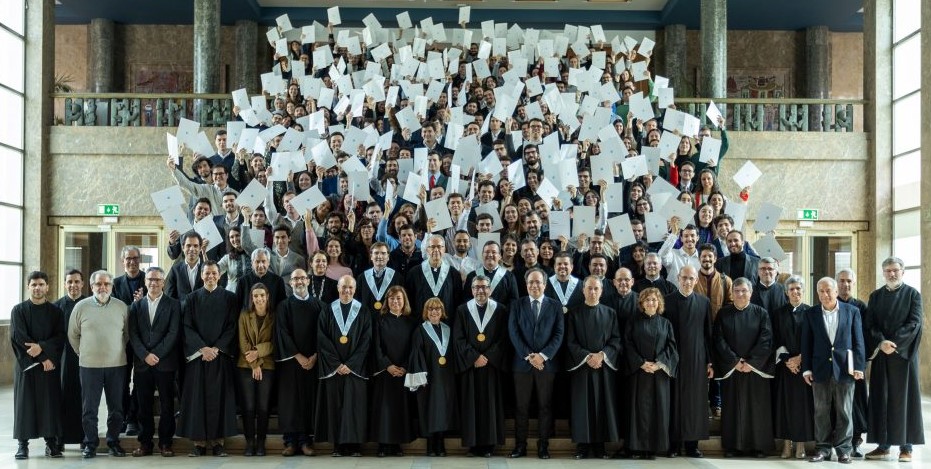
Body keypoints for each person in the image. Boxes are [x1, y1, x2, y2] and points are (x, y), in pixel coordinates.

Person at [864, 257, 924, 463]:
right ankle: (883, 445)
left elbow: (914, 323)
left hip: (903, 357)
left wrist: (894, 344)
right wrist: (881, 343)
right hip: (882, 355)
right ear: (883, 273)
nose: (892, 274)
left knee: (903, 401)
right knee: (882, 398)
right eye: (888, 271)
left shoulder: (913, 295)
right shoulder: (876, 296)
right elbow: (870, 324)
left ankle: (906, 447)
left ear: (903, 271)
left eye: (895, 270)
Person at [177, 261, 240, 457]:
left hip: (220, 356)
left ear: (219, 275)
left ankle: (219, 443)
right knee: (198, 400)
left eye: (214, 273)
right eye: (207, 273)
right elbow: (186, 326)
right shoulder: (191, 298)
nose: (210, 276)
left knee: (220, 400)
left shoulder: (230, 298)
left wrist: (216, 348)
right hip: (199, 357)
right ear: (201, 276)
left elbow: (232, 327)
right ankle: (199, 443)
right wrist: (203, 348)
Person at [801, 277, 866, 464]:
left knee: (844, 411)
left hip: (846, 370)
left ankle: (844, 450)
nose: (825, 294)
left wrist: (859, 367)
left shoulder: (852, 311)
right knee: (821, 411)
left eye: (828, 290)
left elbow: (858, 342)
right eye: (820, 291)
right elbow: (806, 344)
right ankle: (823, 449)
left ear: (836, 291)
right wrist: (806, 369)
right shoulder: (810, 314)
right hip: (820, 370)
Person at [68, 270, 130, 459]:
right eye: (98, 284)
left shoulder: (122, 307)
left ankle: (113, 442)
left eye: (106, 284)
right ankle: (90, 444)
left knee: (117, 409)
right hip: (89, 366)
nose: (102, 288)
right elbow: (73, 335)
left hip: (117, 365)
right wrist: (83, 353)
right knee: (89, 409)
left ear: (112, 286)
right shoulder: (80, 307)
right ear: (91, 286)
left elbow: (126, 335)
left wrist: (115, 351)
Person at [712, 277, 774, 458]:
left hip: (755, 369)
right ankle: (732, 447)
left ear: (750, 293)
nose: (740, 294)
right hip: (733, 369)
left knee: (757, 408)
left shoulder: (761, 313)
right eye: (737, 291)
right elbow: (718, 340)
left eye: (744, 291)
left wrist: (751, 363)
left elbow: (766, 340)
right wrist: (735, 362)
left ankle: (759, 447)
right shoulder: (723, 314)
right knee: (732, 408)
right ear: (731, 294)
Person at [508, 268, 565, 460]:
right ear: (526, 284)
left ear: (545, 284)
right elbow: (513, 332)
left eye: (538, 282)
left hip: (546, 366)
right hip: (522, 365)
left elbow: (559, 334)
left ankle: (543, 446)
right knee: (521, 407)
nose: (534, 285)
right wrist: (529, 356)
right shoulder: (517, 305)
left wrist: (543, 356)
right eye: (531, 282)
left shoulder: (555, 306)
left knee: (545, 406)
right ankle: (520, 446)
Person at [453, 275, 510, 457]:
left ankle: (489, 445)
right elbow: (458, 339)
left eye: (484, 287)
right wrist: (474, 357)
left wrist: (488, 357)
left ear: (490, 289)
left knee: (490, 405)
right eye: (477, 287)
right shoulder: (462, 310)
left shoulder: (500, 310)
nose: (480, 291)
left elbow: (504, 339)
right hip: (471, 366)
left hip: (492, 366)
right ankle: (473, 444)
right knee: (471, 405)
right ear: (471, 290)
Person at [315, 275, 373, 457]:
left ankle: (355, 445)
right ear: (338, 288)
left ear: (355, 289)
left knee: (355, 407)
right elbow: (322, 338)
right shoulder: (327, 310)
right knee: (336, 406)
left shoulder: (363, 311)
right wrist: (336, 364)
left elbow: (366, 340)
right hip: (334, 369)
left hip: (355, 369)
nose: (347, 291)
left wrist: (351, 364)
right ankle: (338, 445)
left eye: (350, 288)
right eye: (343, 287)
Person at [565, 276, 622, 459]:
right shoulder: (574, 314)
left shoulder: (610, 313)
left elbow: (616, 340)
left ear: (602, 291)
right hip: (582, 367)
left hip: (603, 367)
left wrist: (601, 355)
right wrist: (587, 356)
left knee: (601, 405)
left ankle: (600, 447)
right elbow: (570, 341)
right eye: (589, 288)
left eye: (596, 289)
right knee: (582, 407)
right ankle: (582, 446)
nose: (592, 292)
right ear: (583, 290)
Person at [127, 266, 181, 457]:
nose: (153, 283)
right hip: (142, 364)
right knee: (144, 406)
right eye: (150, 279)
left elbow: (173, 333)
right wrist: (144, 355)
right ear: (145, 281)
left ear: (163, 282)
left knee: (167, 405)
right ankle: (145, 443)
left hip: (165, 363)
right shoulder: (135, 306)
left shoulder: (174, 305)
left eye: (157, 279)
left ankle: (166, 443)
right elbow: (132, 334)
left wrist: (155, 354)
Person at [11, 271, 65, 459]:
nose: (37, 288)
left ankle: (51, 444)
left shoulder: (56, 312)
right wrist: (43, 358)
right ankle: (22, 445)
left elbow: (60, 337)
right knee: (25, 405)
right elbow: (19, 338)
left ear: (47, 287)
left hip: (48, 368)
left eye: (41, 284)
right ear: (28, 287)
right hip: (28, 366)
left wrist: (41, 347)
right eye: (33, 284)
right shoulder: (18, 310)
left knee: (49, 405)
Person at [663, 266, 713, 458]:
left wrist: (710, 361)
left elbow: (708, 334)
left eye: (691, 278)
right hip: (672, 358)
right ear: (678, 278)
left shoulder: (703, 302)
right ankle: (673, 444)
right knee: (673, 401)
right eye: (684, 277)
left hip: (696, 359)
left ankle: (692, 445)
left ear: (696, 280)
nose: (687, 281)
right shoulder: (667, 301)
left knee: (695, 402)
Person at [623, 287, 678, 460]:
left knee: (658, 409)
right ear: (641, 303)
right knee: (639, 411)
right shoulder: (633, 321)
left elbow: (672, 347)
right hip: (639, 373)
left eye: (654, 300)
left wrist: (659, 363)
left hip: (659, 373)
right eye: (647, 300)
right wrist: (641, 363)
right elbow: (627, 344)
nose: (651, 303)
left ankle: (654, 447)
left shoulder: (666, 323)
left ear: (659, 302)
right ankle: (637, 447)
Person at [275, 269, 323, 457]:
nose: (299, 281)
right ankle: (290, 442)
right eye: (295, 279)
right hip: (291, 362)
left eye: (302, 278)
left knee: (307, 401)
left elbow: (323, 334)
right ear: (290, 283)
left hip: (313, 362)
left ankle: (306, 442)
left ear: (308, 281)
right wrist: (298, 355)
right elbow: (282, 333)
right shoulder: (284, 306)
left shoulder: (319, 306)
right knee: (290, 402)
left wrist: (315, 356)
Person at [406, 298, 459, 457]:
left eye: (437, 309)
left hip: (446, 377)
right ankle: (430, 445)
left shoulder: (448, 329)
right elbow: (416, 354)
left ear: (442, 311)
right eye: (430, 309)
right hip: (429, 378)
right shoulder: (420, 330)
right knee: (429, 409)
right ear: (426, 312)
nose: (434, 312)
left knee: (443, 410)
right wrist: (421, 376)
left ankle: (440, 443)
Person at [370, 286, 418, 457]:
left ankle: (397, 444)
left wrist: (405, 366)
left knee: (400, 409)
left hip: (403, 372)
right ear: (386, 301)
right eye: (391, 298)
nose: (395, 301)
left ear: (404, 300)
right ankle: (383, 444)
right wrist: (387, 365)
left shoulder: (411, 322)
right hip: (385, 372)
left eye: (398, 298)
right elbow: (376, 346)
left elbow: (414, 348)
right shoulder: (379, 320)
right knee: (384, 409)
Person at [771, 275, 813, 460]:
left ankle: (801, 445)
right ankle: (787, 445)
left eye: (798, 289)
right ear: (786, 292)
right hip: (785, 367)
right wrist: (788, 359)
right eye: (792, 289)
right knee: (785, 406)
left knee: (802, 408)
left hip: (805, 368)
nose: (795, 292)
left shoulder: (812, 313)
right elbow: (774, 339)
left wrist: (800, 359)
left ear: (803, 291)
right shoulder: (778, 313)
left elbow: (816, 339)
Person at [236, 283, 277, 457]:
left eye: (262, 295)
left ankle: (261, 442)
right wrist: (254, 364)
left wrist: (258, 357)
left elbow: (274, 343)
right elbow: (242, 341)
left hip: (267, 365)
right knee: (249, 406)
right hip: (246, 365)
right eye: (255, 296)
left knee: (262, 406)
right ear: (251, 298)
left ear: (267, 296)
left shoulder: (274, 316)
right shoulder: (245, 315)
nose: (259, 299)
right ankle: (249, 443)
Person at [836, 268, 869, 457]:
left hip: (854, 363)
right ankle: (837, 441)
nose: (845, 284)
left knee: (855, 404)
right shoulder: (830, 304)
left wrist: (859, 365)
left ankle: (855, 441)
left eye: (848, 281)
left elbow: (863, 337)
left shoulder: (861, 307)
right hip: (835, 363)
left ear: (853, 283)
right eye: (841, 281)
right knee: (837, 404)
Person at [54, 269, 87, 452]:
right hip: (63, 359)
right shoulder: (56, 306)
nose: (73, 285)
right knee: (62, 398)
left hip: (86, 358)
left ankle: (84, 437)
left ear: (82, 284)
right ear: (64, 284)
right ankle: (60, 439)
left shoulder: (90, 303)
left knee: (85, 398)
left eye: (77, 282)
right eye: (70, 282)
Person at [405, 235, 461, 323]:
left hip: (447, 323)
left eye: (439, 247)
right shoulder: (414, 273)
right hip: (421, 324)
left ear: (444, 249)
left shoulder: (454, 274)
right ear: (427, 249)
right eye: (432, 247)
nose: (436, 250)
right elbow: (409, 300)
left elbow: (457, 301)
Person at [464, 241, 520, 306]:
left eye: (494, 252)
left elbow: (514, 302)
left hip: (502, 315)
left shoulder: (509, 277)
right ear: (482, 255)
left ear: (500, 256)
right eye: (487, 252)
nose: (490, 255)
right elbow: (466, 299)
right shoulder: (472, 276)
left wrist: (499, 309)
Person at [353, 242, 402, 312]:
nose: (379, 256)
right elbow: (357, 301)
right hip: (367, 319)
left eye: (383, 253)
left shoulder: (397, 278)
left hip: (389, 319)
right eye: (376, 253)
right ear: (371, 256)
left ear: (388, 257)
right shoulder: (361, 278)